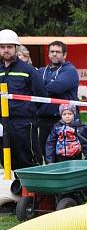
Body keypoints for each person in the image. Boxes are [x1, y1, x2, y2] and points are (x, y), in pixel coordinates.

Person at [0, 29, 45, 169]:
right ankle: (15, 189)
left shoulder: (28, 70)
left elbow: (41, 96)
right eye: (2, 47)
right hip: (3, 124)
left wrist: (26, 112)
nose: (6, 50)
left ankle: (35, 190)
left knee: (28, 160)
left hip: (24, 124)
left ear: (16, 48)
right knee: (6, 161)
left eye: (9, 47)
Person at [36, 40, 80, 164]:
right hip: (44, 120)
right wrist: (46, 85)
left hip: (64, 120)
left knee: (66, 156)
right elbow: (35, 87)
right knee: (47, 155)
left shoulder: (70, 70)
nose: (54, 54)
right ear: (48, 54)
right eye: (52, 52)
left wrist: (42, 86)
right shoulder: (43, 70)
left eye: (58, 52)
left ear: (64, 55)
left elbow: (56, 87)